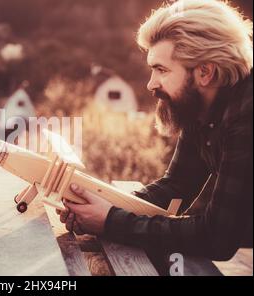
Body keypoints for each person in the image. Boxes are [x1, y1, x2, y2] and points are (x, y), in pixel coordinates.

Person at [59, 0, 253, 261]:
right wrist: (101, 204)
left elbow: (216, 238)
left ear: (205, 72)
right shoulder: (202, 107)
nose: (151, 84)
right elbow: (176, 186)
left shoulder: (246, 116)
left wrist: (109, 221)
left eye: (161, 70)